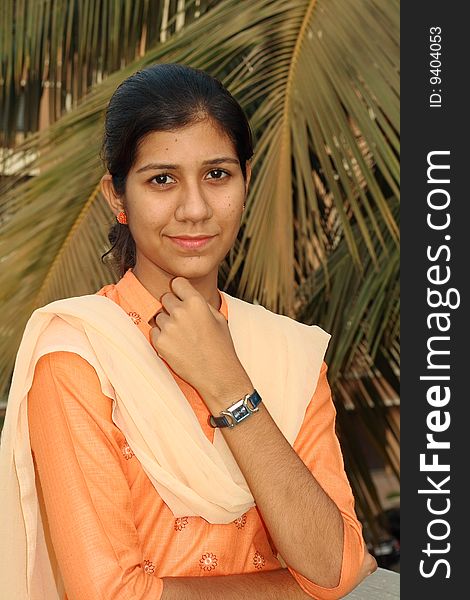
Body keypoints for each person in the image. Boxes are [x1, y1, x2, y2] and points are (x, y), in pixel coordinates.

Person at [0, 63, 376, 599]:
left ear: (246, 179)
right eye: (162, 179)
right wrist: (291, 592)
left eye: (218, 174)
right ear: (116, 195)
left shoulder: (287, 351)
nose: (195, 209)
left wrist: (228, 384)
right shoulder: (78, 357)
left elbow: (334, 564)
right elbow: (108, 595)